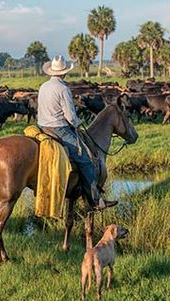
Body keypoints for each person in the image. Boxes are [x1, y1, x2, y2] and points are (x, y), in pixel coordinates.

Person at [37, 55, 117, 211]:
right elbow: (70, 117)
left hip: (42, 127)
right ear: (64, 72)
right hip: (59, 129)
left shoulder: (43, 86)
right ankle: (96, 200)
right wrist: (78, 123)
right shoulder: (63, 88)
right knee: (86, 160)